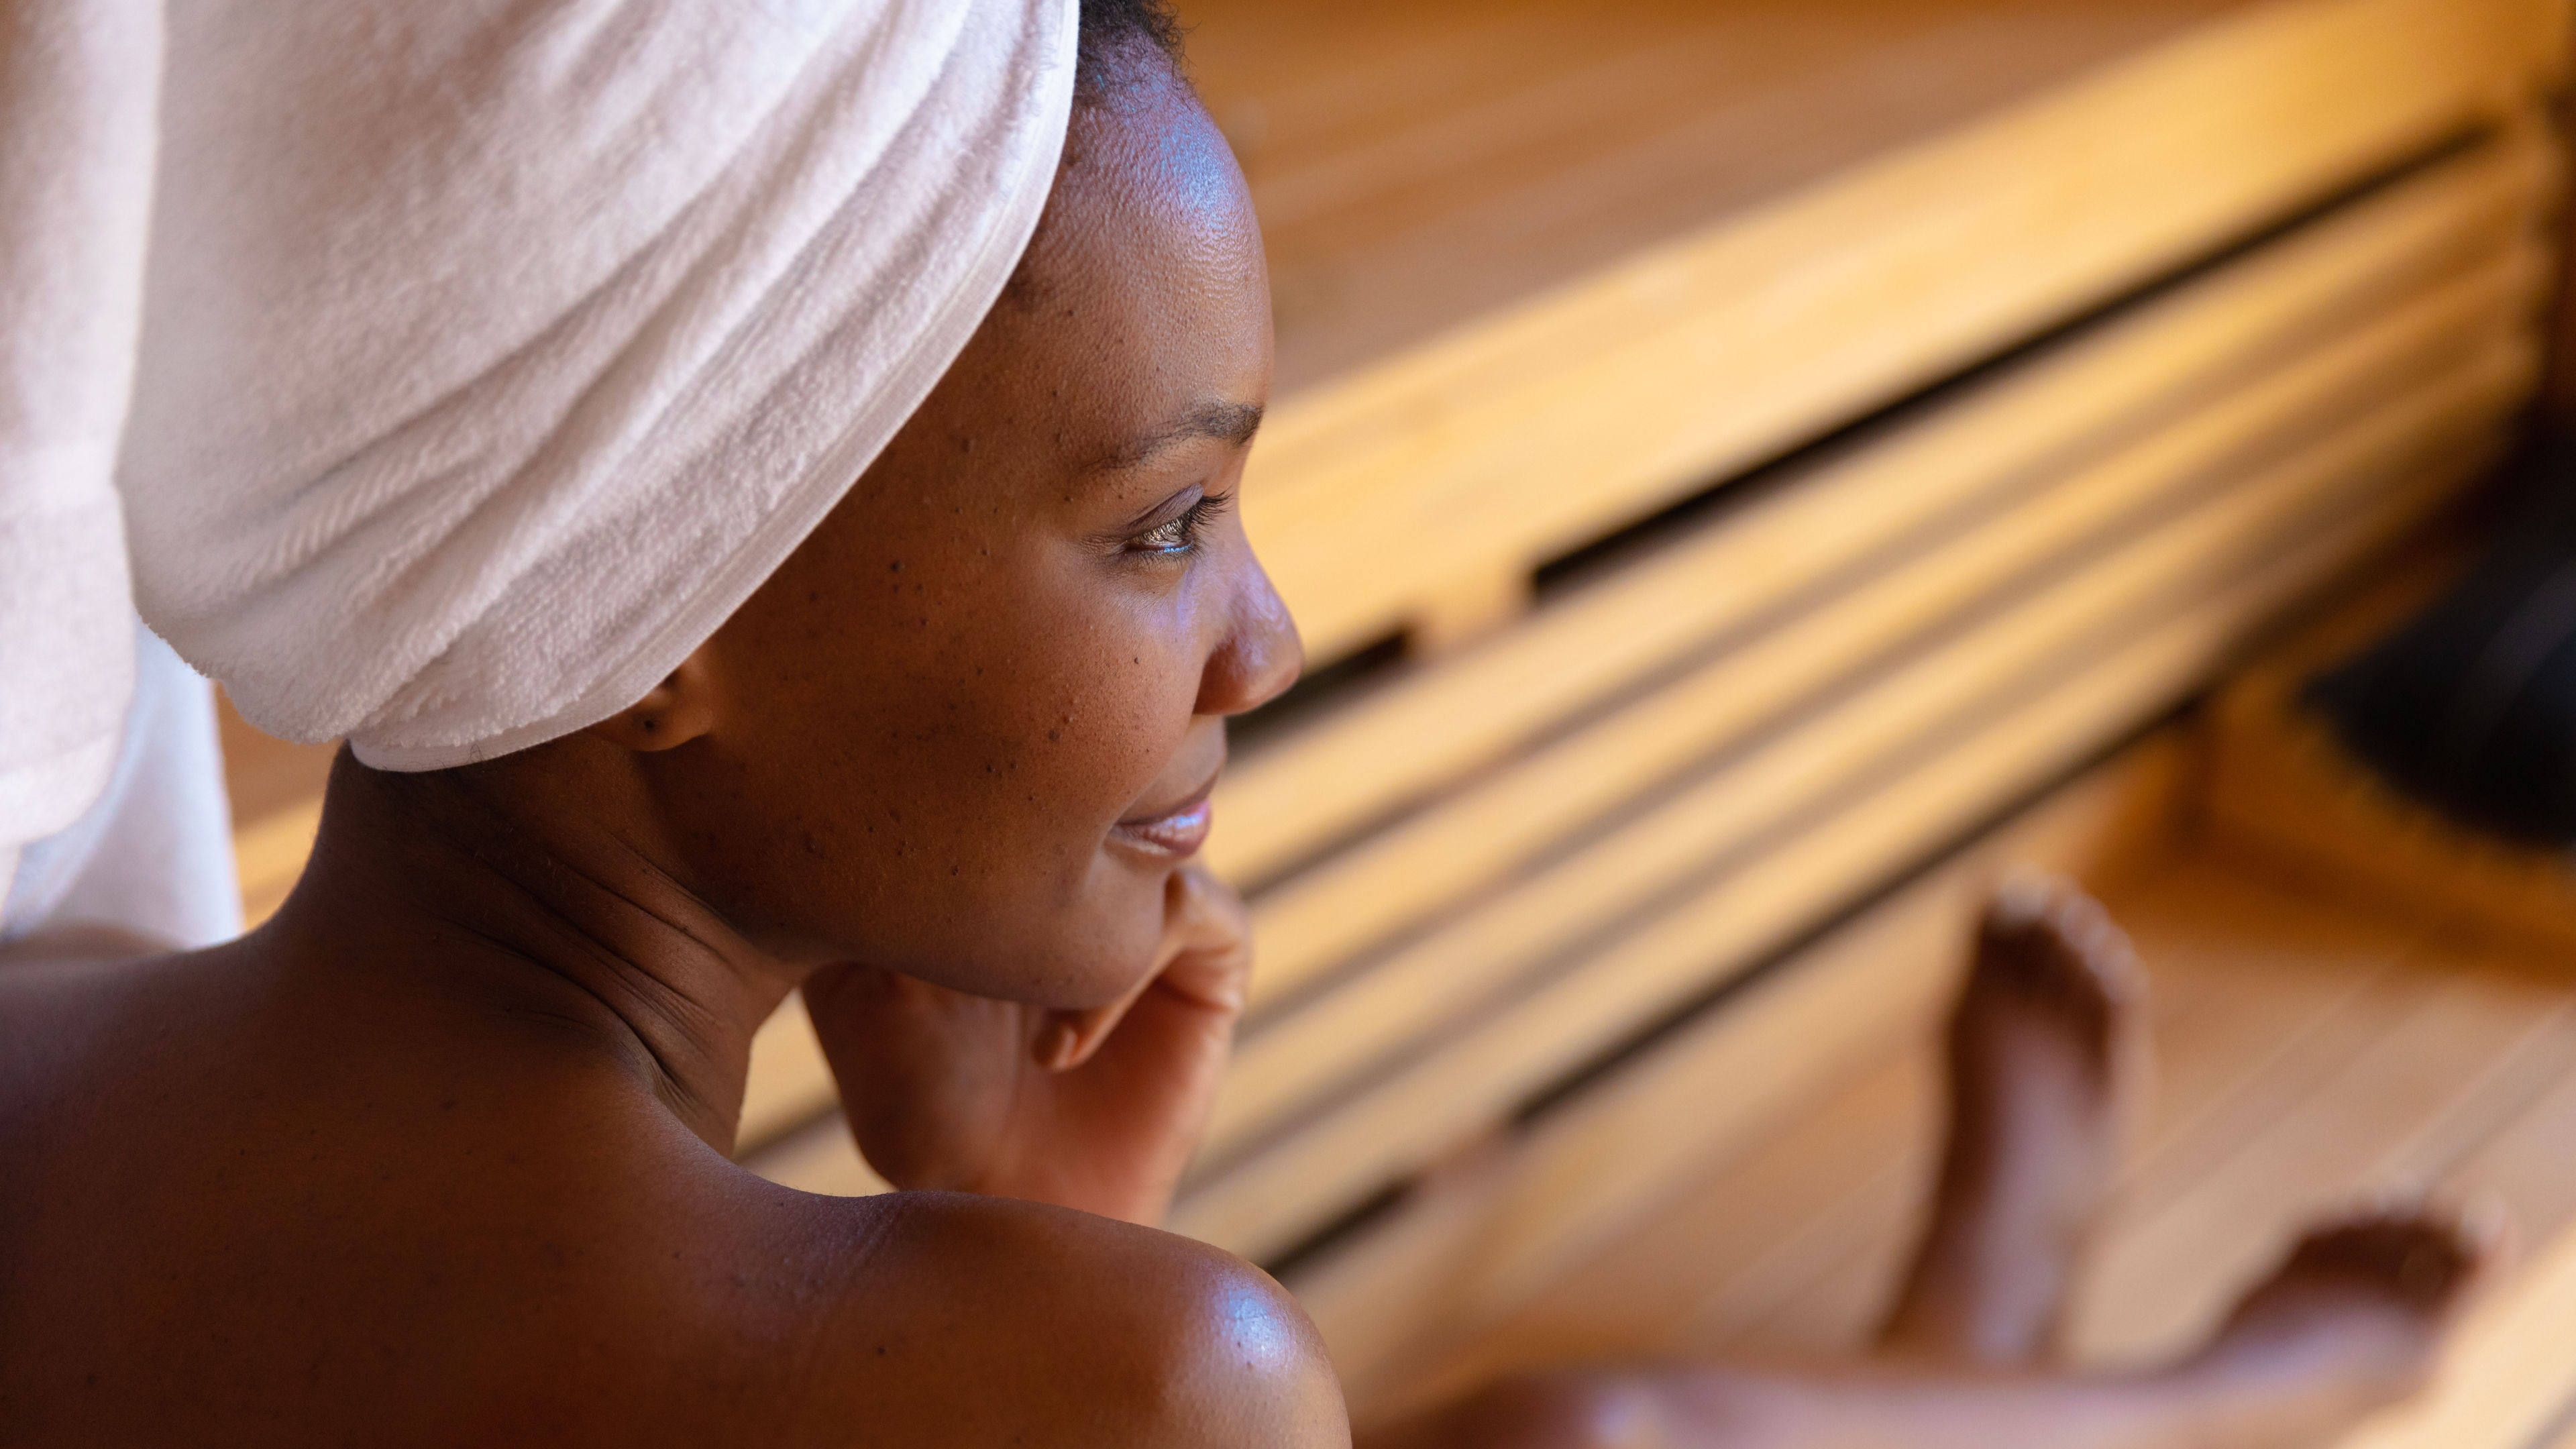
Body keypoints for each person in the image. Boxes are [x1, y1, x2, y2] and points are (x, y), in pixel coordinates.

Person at [0, 2, 2488, 1444]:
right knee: (1585, 1443)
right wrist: (1053, 1285)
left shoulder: (47, 1031)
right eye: (1168, 524)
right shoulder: (1140, 1386)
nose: (1265, 644)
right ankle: (2192, 1394)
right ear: (672, 614)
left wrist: (1003, 1269)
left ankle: (2005, 1323)